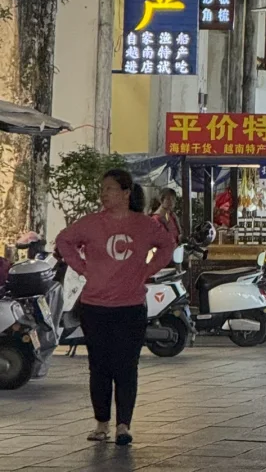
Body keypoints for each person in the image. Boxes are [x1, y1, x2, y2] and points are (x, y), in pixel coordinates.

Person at [55, 168, 175, 446]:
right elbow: (64, 240)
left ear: (125, 193)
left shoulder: (144, 224)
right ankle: (101, 424)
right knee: (99, 367)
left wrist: (147, 270)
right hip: (95, 306)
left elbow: (167, 245)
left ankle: (123, 425)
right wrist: (83, 268)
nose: (104, 193)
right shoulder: (91, 223)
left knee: (126, 366)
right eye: (102, 189)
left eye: (109, 188)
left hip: (130, 306)